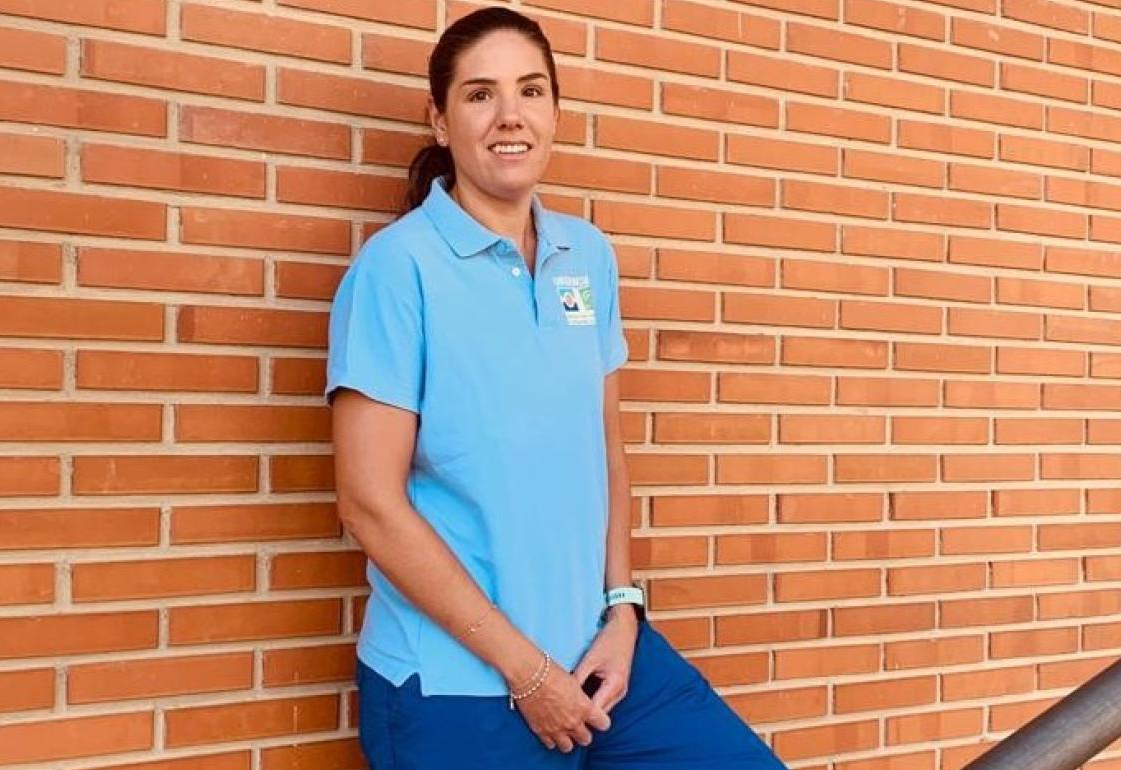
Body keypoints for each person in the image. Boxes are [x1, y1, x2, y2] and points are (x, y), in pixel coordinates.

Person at [325, 7, 791, 769]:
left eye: (531, 91)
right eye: (480, 95)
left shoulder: (587, 257)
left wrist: (623, 610)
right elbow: (369, 504)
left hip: (603, 657)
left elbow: (603, 450)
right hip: (459, 686)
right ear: (438, 119)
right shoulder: (397, 269)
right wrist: (529, 672)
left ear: (554, 110)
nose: (510, 117)